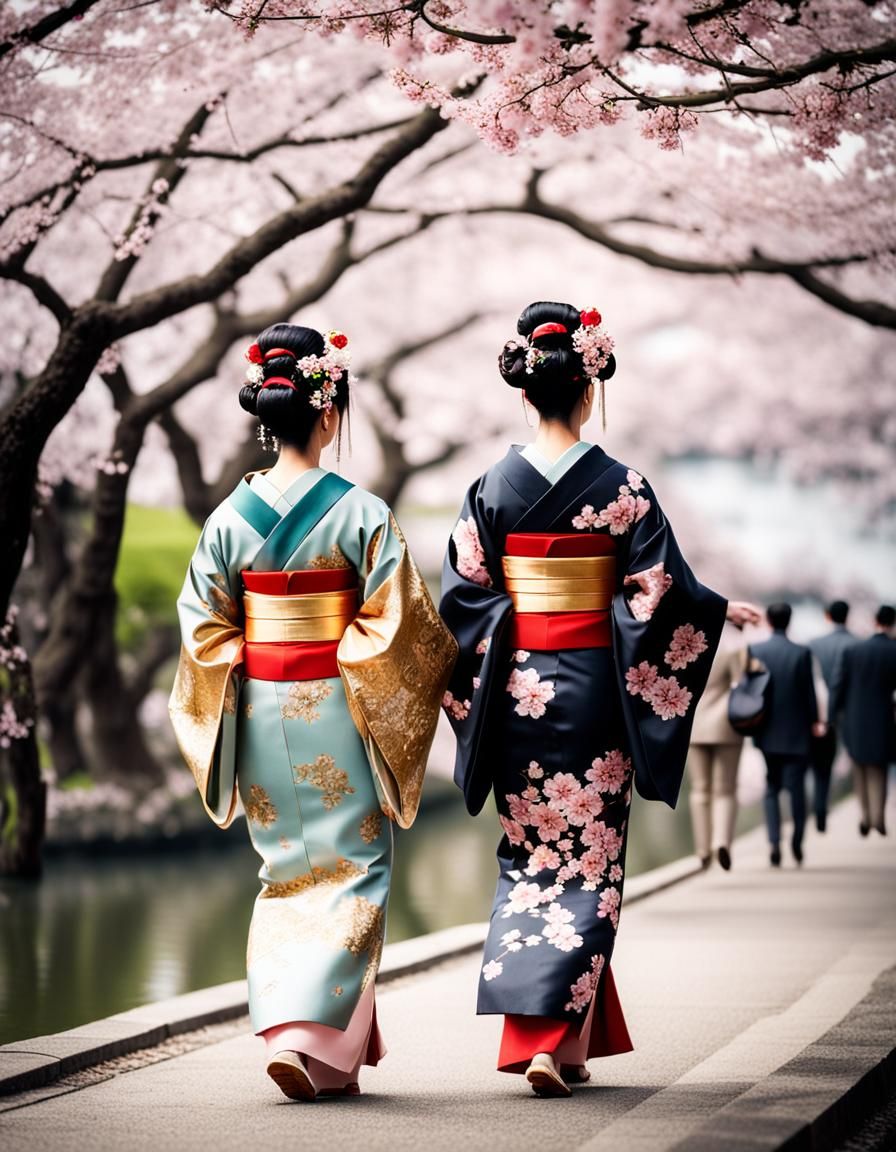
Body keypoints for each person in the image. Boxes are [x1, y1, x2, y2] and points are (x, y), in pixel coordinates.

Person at [439, 301, 759, 1098]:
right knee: (588, 864)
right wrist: (710, 610)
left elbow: (463, 600)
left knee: (532, 858)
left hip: (517, 693)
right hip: (598, 698)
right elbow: (663, 597)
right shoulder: (623, 485)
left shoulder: (489, 486)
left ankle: (567, 1037)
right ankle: (547, 1039)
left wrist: (510, 646)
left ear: (524, 393)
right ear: (589, 391)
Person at [169, 323, 456, 1101]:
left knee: (286, 871)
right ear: (329, 413)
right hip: (338, 704)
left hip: (259, 705)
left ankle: (321, 1054)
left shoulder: (228, 519)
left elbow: (202, 628)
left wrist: (253, 666)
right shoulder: (360, 512)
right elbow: (403, 625)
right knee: (354, 871)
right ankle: (306, 1037)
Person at [751, 603, 823, 867]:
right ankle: (797, 841)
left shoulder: (756, 650)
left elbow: (752, 690)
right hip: (797, 732)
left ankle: (774, 842)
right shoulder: (802, 652)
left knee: (771, 788)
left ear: (768, 620)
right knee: (796, 789)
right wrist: (816, 721)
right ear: (789, 621)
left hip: (767, 731)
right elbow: (809, 692)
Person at [687, 628, 751, 870]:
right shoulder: (734, 648)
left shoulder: (691, 645)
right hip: (726, 725)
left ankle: (702, 849)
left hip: (695, 725)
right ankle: (721, 841)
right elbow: (743, 685)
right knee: (725, 789)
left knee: (700, 789)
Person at [832, 604, 896, 837]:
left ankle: (865, 816)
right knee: (879, 768)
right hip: (884, 719)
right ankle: (878, 817)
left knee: (859, 768)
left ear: (874, 621)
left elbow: (838, 687)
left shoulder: (854, 650)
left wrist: (831, 716)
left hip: (855, 720)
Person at [808, 600, 857, 832]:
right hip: (849, 714)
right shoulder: (858, 645)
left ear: (827, 616)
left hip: (817, 714)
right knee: (834, 764)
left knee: (819, 763)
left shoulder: (813, 645)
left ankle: (817, 807)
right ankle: (824, 805)